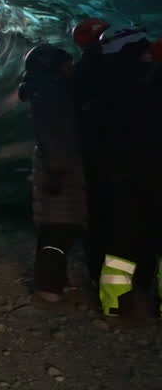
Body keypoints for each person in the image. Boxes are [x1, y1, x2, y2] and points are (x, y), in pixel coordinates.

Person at [90, 26, 157, 318]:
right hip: (149, 171)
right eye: (142, 47)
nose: (147, 52)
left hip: (117, 173)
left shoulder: (102, 81)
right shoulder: (146, 82)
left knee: (120, 238)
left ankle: (115, 302)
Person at [18, 44, 85, 301]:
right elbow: (54, 134)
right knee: (56, 224)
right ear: (52, 67)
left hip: (60, 163)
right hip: (58, 165)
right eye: (66, 64)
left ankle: (56, 278)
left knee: (62, 222)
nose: (71, 69)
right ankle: (48, 284)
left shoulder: (47, 91)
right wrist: (57, 170)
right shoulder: (51, 94)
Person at [71, 17, 112, 285]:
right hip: (106, 152)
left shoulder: (82, 69)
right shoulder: (102, 68)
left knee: (97, 213)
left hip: (95, 151)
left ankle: (99, 271)